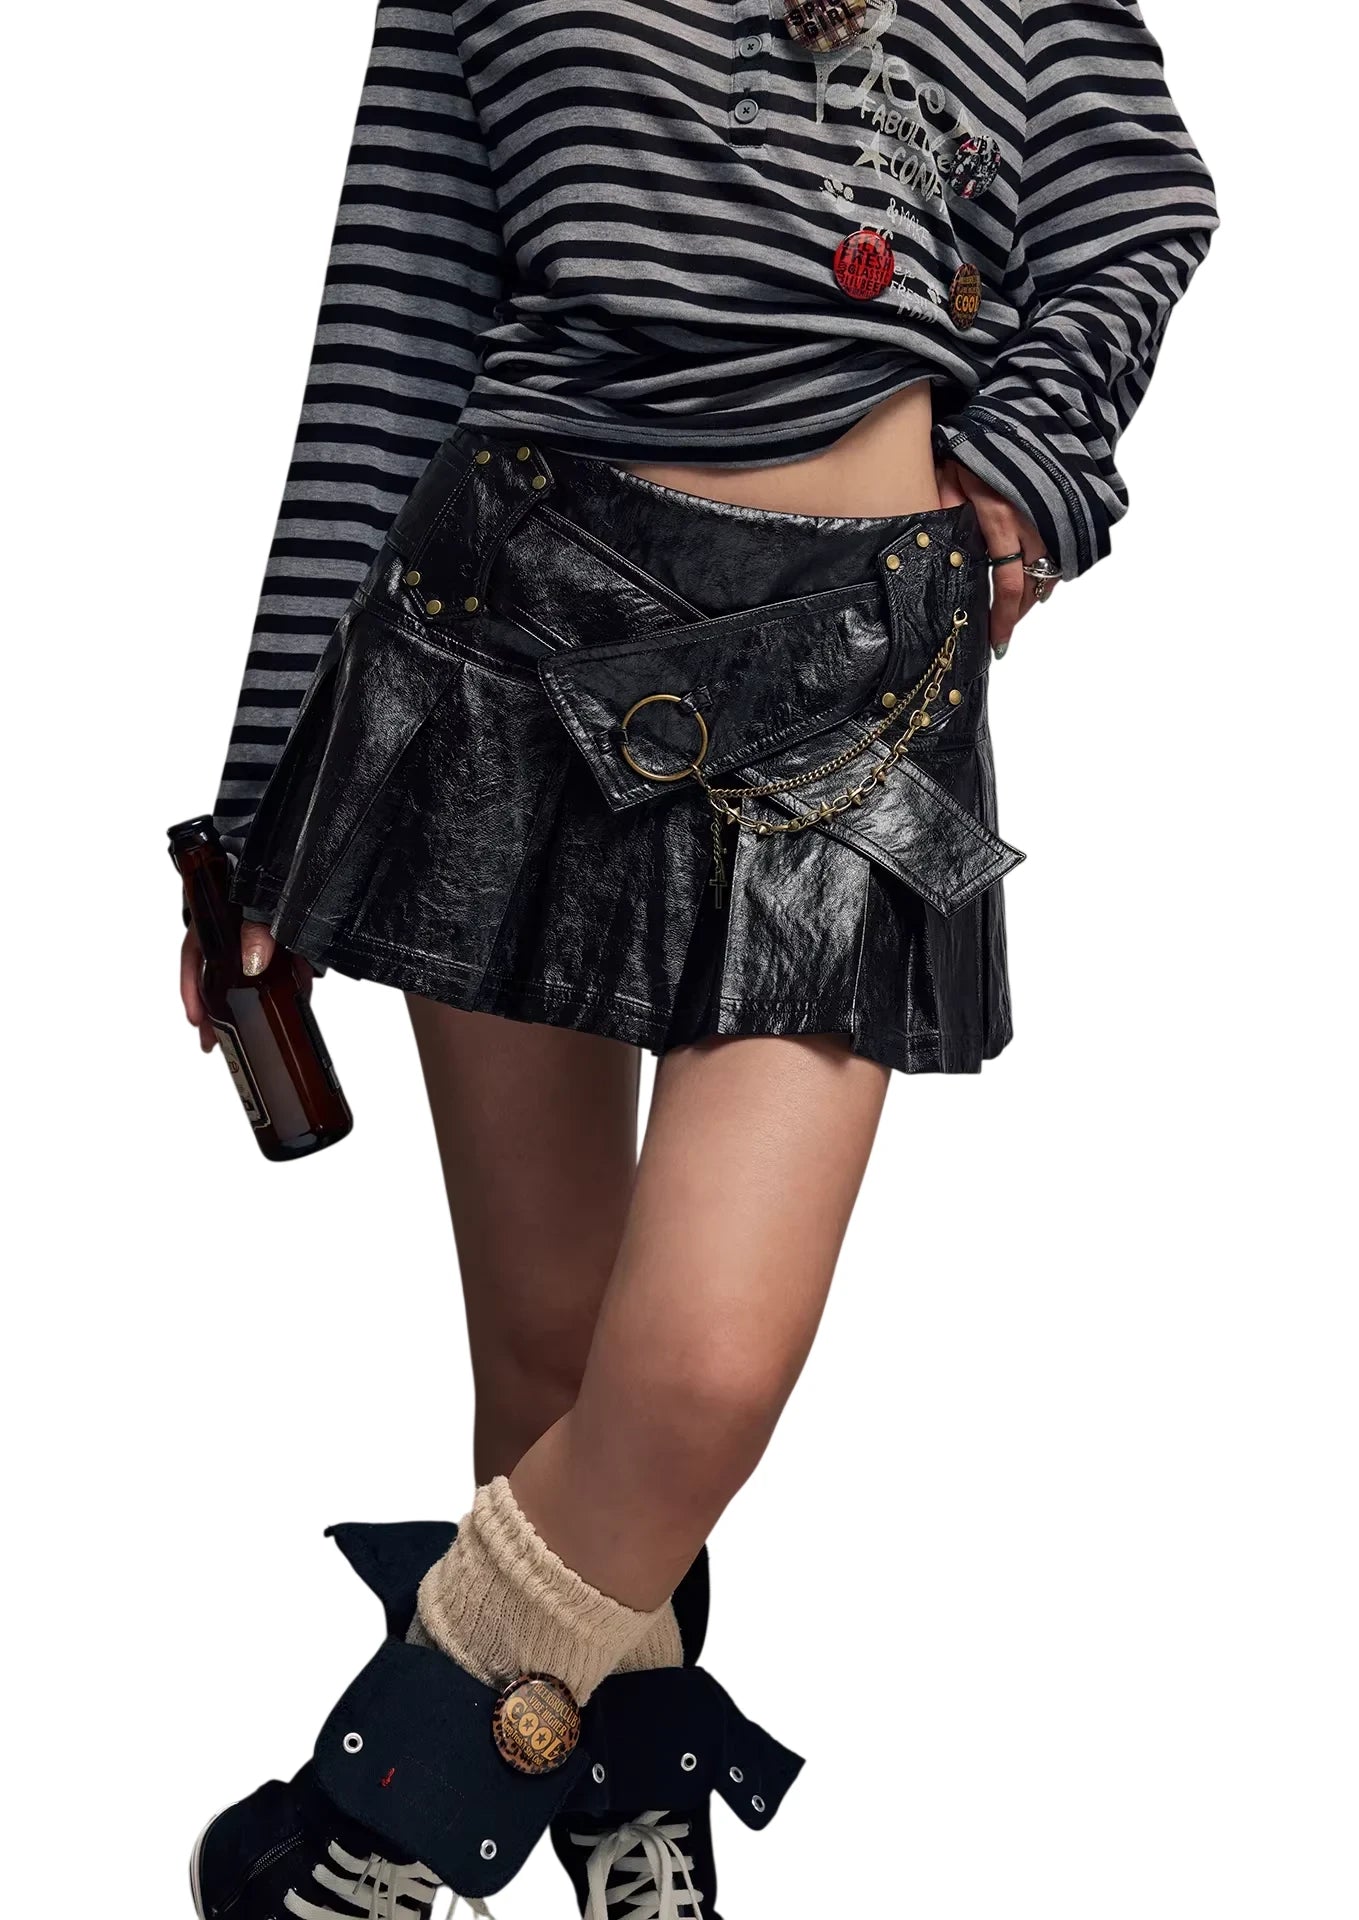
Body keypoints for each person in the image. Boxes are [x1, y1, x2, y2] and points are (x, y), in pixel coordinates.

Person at [181, 4, 1215, 1915]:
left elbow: (1132, 205)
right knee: (554, 1357)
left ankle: (361, 1825)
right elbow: (393, 334)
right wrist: (263, 802)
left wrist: (1022, 479)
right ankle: (622, 1788)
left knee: (703, 1371)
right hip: (504, 634)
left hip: (856, 673)